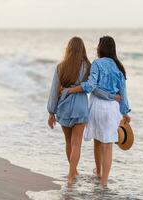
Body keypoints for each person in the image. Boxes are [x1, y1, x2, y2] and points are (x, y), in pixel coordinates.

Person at [47, 36, 120, 185]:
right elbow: (93, 86)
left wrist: (51, 112)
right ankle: (71, 175)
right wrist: (112, 96)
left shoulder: (61, 67)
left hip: (64, 107)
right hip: (80, 106)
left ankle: (73, 172)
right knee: (76, 144)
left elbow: (54, 91)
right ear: (83, 50)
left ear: (68, 49)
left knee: (68, 142)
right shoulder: (88, 66)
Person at [67, 36, 131, 186]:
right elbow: (123, 93)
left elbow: (91, 86)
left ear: (101, 48)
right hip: (112, 108)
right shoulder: (119, 67)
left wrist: (71, 90)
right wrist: (125, 112)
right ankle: (104, 181)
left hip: (96, 106)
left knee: (97, 139)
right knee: (107, 145)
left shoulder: (97, 64)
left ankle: (99, 171)